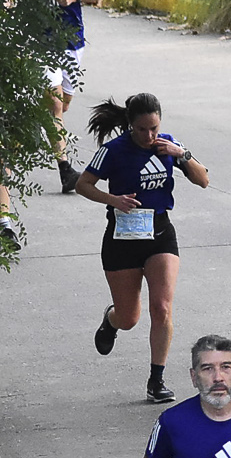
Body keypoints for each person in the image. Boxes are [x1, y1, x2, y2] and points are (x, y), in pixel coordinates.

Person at [79, 92, 208, 404]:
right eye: (142, 130)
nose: (150, 136)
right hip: (122, 239)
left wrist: (182, 154)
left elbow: (203, 179)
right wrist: (113, 200)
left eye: (154, 128)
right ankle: (112, 320)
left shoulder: (168, 146)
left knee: (161, 307)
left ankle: (156, 379)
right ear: (130, 126)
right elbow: (83, 184)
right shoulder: (113, 151)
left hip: (160, 234)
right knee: (129, 318)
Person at [14, 0, 105, 196]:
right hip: (39, 42)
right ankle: (65, 169)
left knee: (62, 105)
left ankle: (30, 119)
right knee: (54, 104)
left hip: (71, 42)